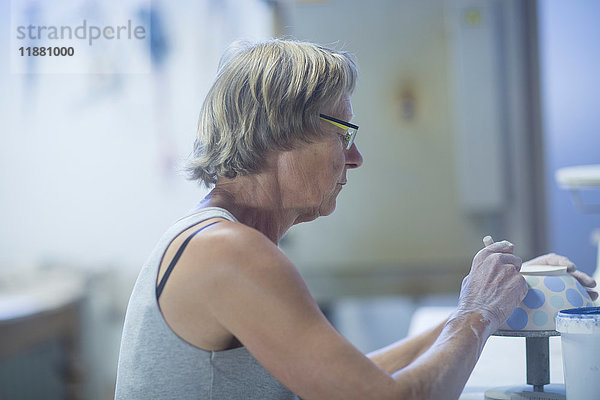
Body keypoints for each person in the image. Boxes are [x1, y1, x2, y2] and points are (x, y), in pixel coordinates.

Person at [114, 39, 597, 400]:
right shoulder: (229, 252)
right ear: (282, 131)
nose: (357, 157)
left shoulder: (214, 240)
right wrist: (477, 314)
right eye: (343, 132)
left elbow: (354, 381)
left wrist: (488, 305)